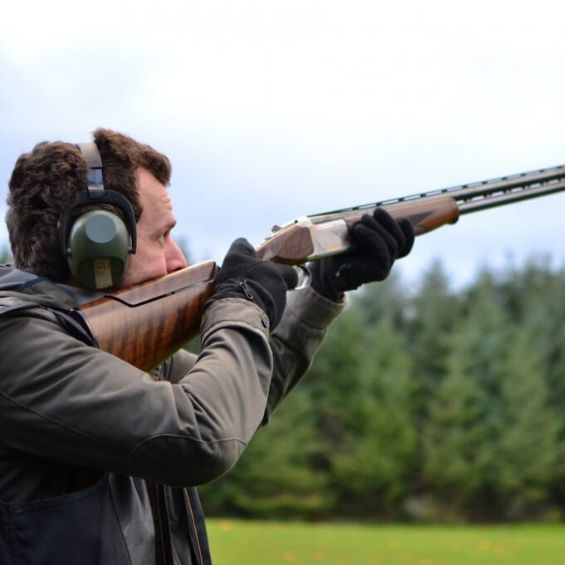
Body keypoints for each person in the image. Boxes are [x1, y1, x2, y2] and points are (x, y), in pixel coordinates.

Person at [0, 128, 414, 565]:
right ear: (97, 245)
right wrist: (241, 303)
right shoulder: (14, 345)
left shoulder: (91, 344)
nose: (178, 260)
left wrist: (323, 292)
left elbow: (239, 396)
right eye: (162, 237)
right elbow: (204, 436)